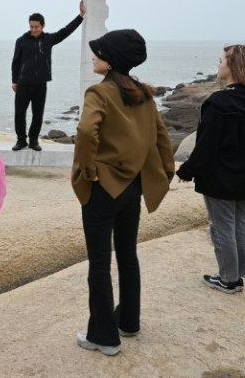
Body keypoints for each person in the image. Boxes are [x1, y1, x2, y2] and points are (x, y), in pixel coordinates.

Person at [71, 29, 174, 356]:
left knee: (99, 263)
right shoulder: (144, 94)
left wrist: (88, 171)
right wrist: (164, 174)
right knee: (127, 255)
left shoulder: (98, 94)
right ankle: (128, 321)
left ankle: (103, 337)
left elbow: (87, 131)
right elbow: (161, 138)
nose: (94, 56)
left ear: (111, 59)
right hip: (133, 190)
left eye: (98, 52)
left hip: (103, 189)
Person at [176, 45, 245, 294]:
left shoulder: (218, 102)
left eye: (222, 60)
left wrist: (187, 170)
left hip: (222, 177)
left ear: (233, 66)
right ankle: (237, 274)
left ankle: (228, 278)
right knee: (239, 224)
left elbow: (207, 144)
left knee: (221, 226)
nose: (218, 65)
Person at [11, 0, 86, 151]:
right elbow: (15, 62)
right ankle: (21, 140)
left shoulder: (48, 40)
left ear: (43, 26)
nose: (33, 29)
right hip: (23, 83)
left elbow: (66, 31)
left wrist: (81, 16)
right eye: (31, 26)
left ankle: (33, 140)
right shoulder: (21, 41)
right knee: (20, 113)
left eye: (36, 27)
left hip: (40, 84)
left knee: (37, 114)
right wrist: (14, 81)